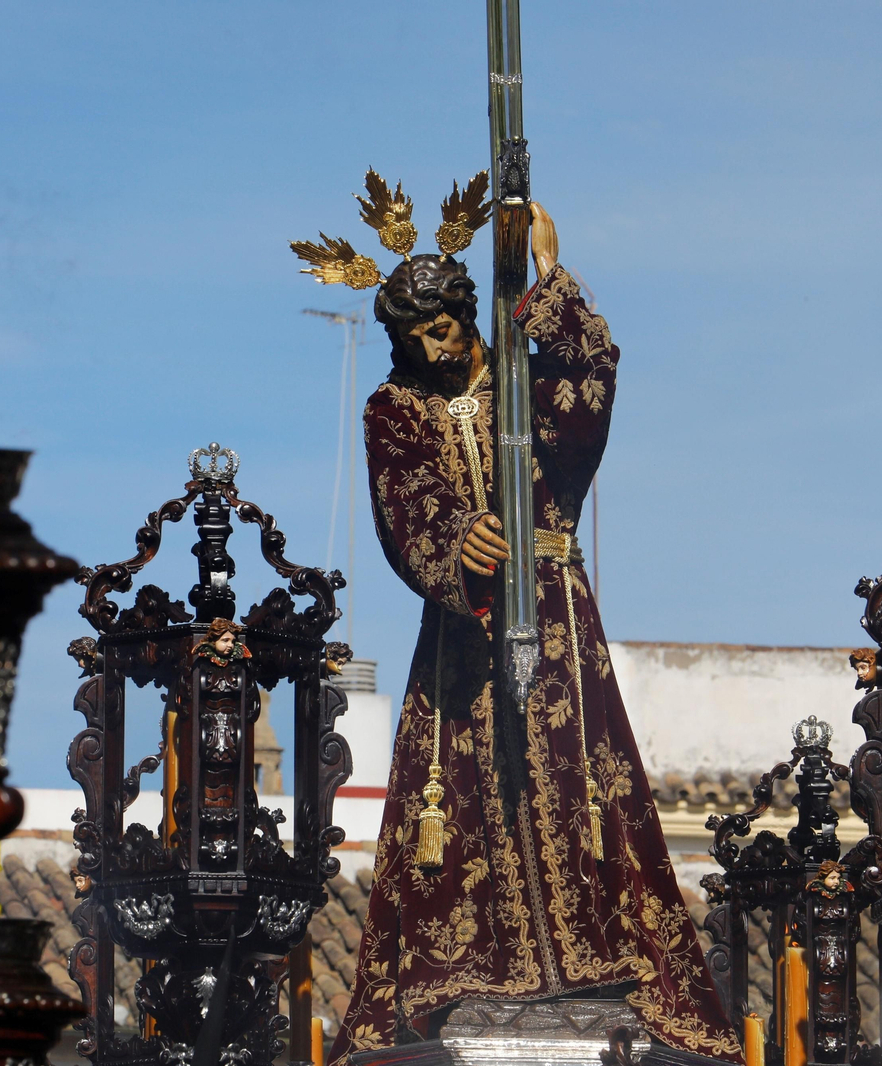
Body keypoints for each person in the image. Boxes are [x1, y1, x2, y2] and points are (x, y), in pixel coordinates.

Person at [296, 177, 742, 1064]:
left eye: (444, 322)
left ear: (466, 312)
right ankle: (478, 961)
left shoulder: (517, 385)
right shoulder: (393, 408)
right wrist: (459, 543)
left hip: (555, 613)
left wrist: (545, 271)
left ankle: (595, 955)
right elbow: (405, 501)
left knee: (573, 773)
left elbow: (589, 384)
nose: (433, 342)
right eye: (414, 333)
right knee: (465, 786)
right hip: (465, 626)